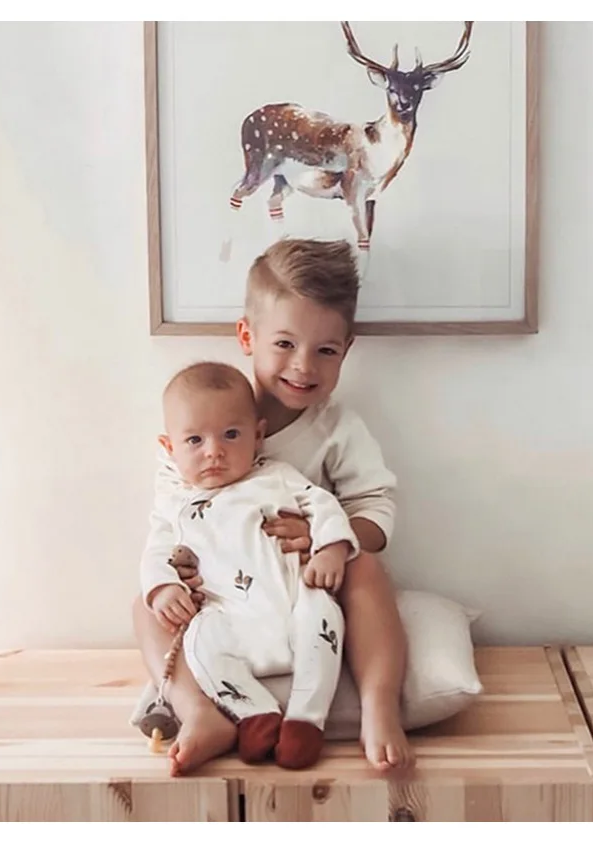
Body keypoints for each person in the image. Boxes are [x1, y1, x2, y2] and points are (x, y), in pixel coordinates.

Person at [133, 237, 414, 775]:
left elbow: (377, 507)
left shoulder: (336, 428)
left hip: (306, 582)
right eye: (285, 344)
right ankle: (200, 713)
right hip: (225, 594)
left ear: (347, 349)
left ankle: (379, 706)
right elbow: (168, 523)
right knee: (144, 605)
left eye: (325, 351)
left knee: (368, 571)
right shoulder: (197, 421)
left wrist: (329, 539)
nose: (303, 366)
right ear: (247, 336)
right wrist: (173, 577)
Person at [141, 361, 358, 769]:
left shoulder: (277, 477)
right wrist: (163, 588)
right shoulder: (176, 503)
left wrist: (331, 549)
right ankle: (254, 713)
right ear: (170, 448)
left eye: (231, 435)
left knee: (323, 615)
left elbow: (323, 505)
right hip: (229, 618)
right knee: (200, 641)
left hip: (292, 605)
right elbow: (156, 551)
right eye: (194, 440)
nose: (214, 451)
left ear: (258, 435)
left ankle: (306, 720)